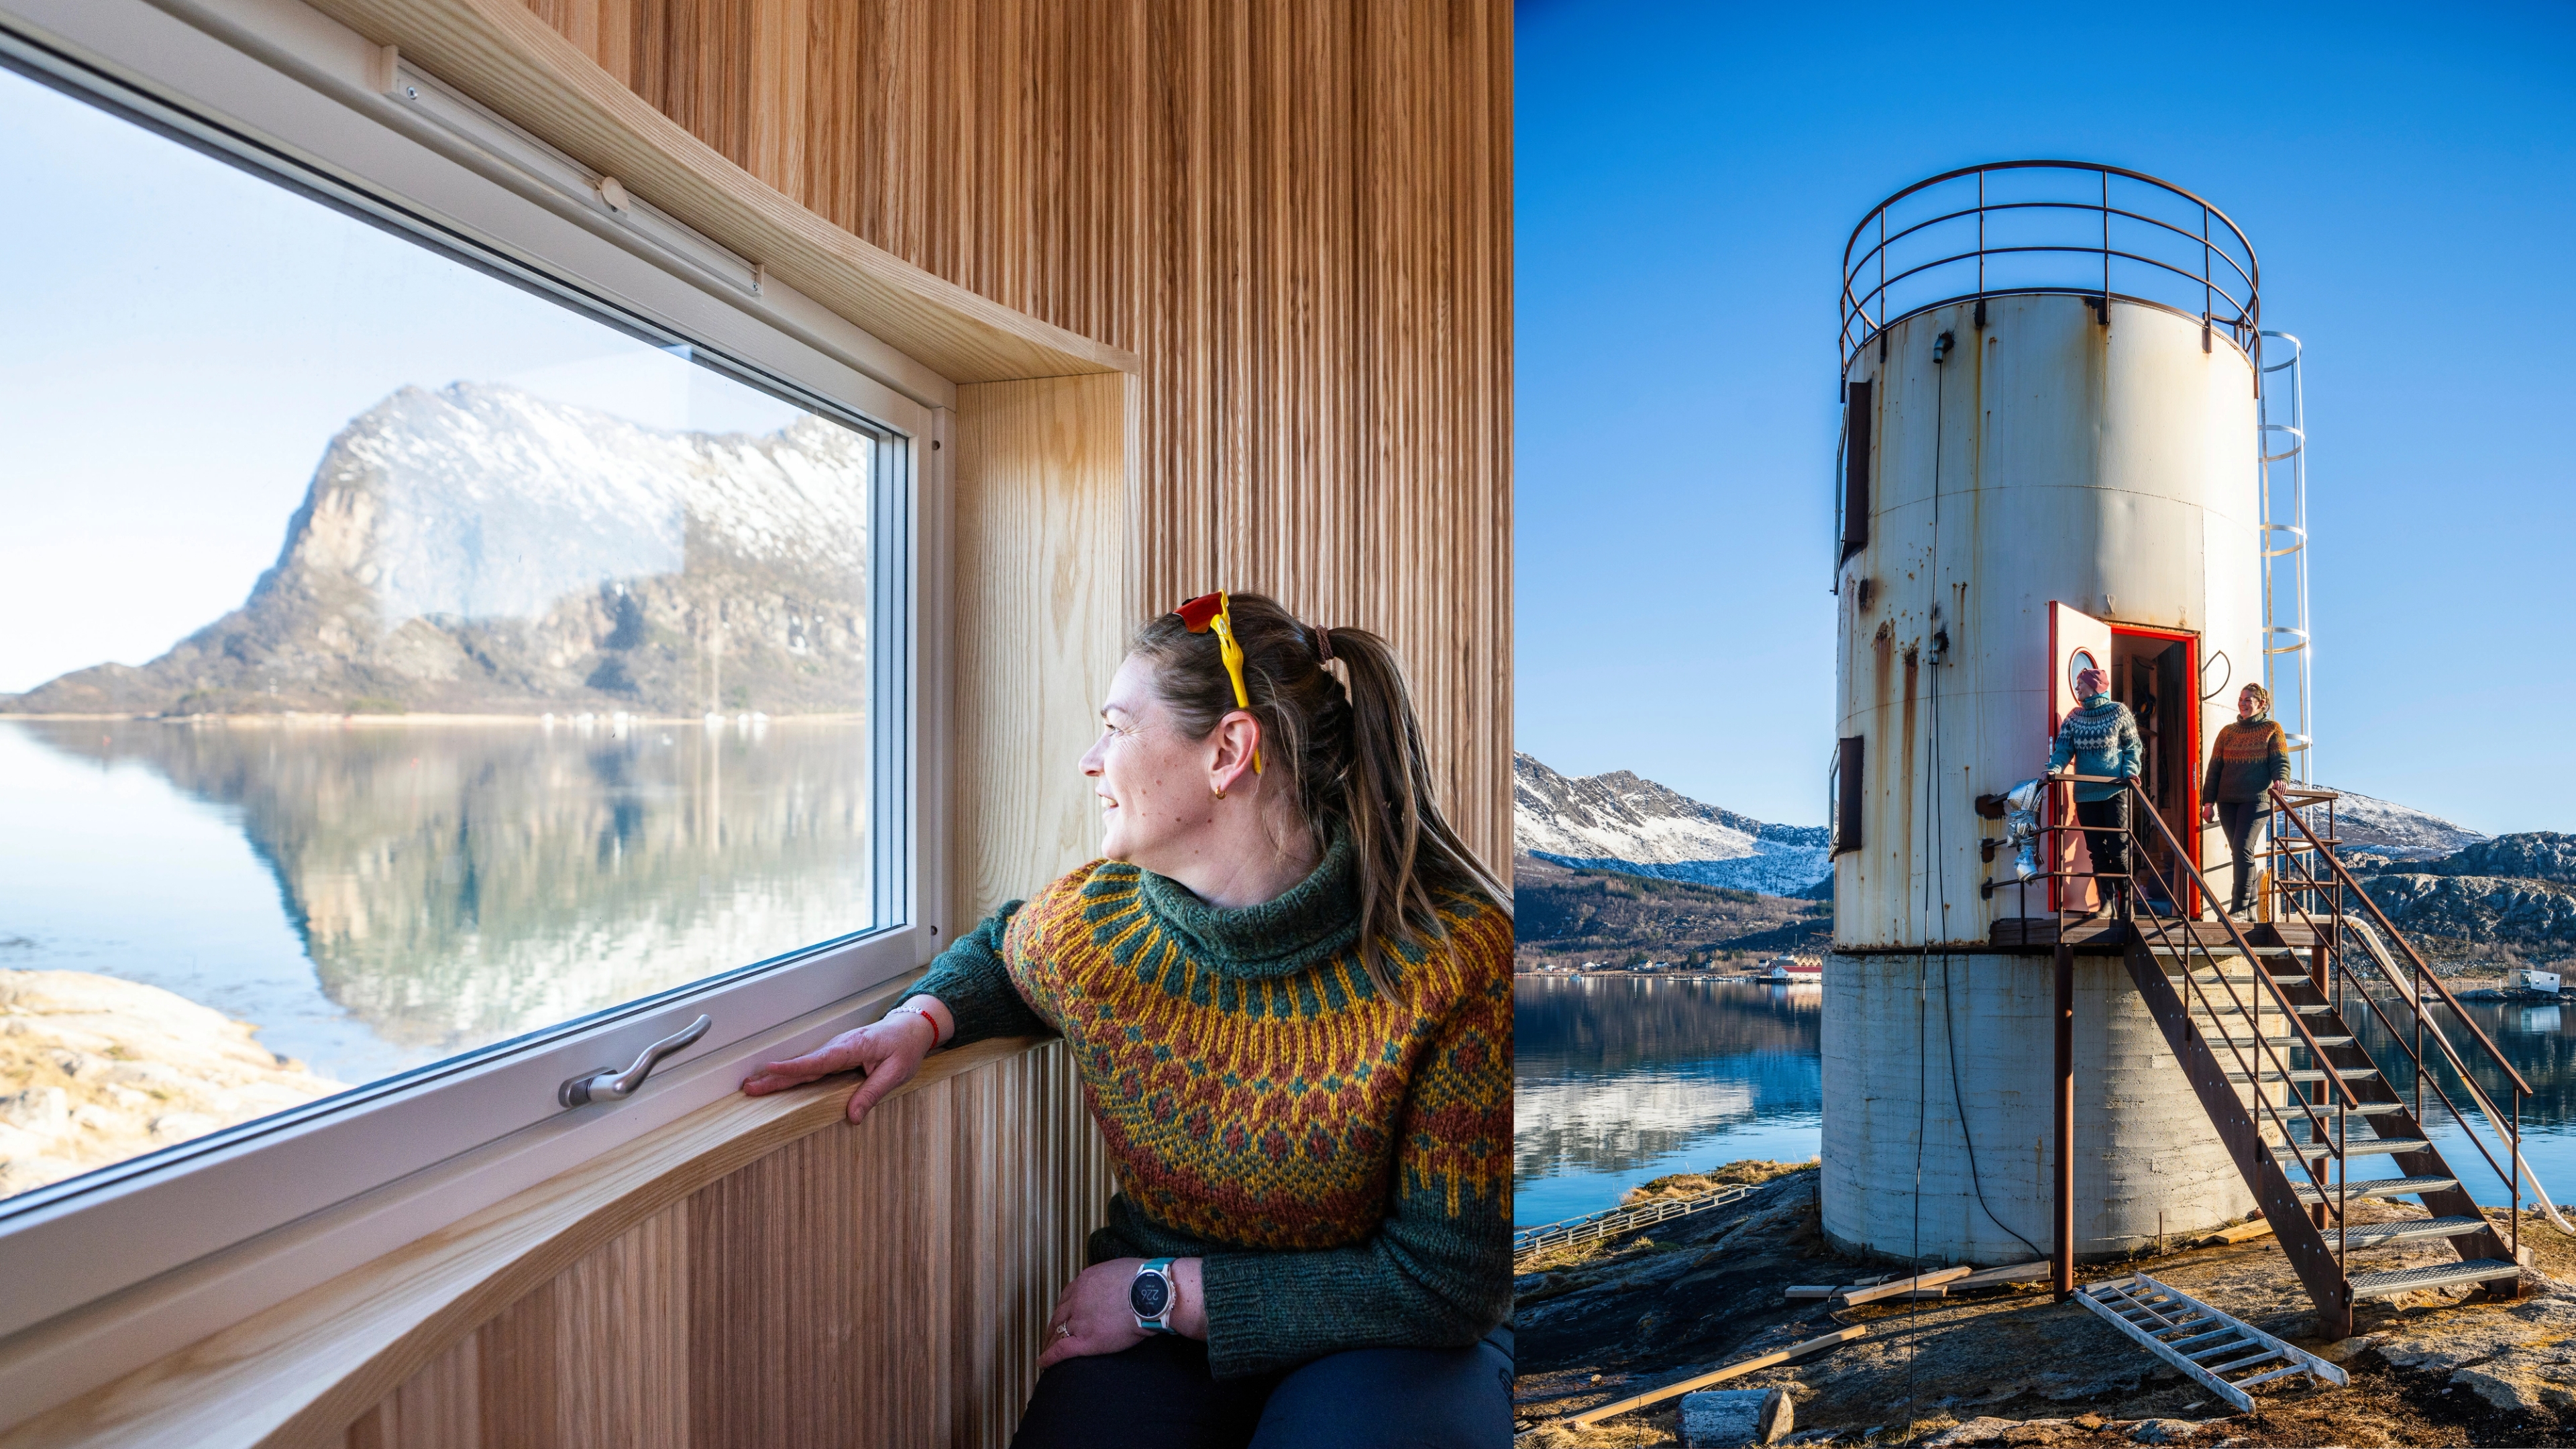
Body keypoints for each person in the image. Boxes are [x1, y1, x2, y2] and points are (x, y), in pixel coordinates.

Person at [740, 590, 1513, 1448]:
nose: (1089, 759)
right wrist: (919, 1019)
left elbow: (1445, 1283)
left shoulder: (1456, 958)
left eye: (1115, 726)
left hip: (1391, 1337)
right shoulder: (1099, 928)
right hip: (1155, 1333)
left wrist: (1165, 1293)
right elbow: (1004, 950)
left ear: (1228, 751)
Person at [2047, 663, 2143, 916]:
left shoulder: (2119, 712)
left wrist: (2130, 770)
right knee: (2097, 851)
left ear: (2095, 687)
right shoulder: (2074, 718)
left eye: (2081, 683)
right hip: (2086, 794)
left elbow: (2133, 747)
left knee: (2119, 849)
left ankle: (2128, 901)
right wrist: (2053, 768)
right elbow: (2063, 750)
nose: (2077, 687)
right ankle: (2108, 903)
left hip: (2114, 791)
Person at [2201, 682, 2293, 918]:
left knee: (2242, 849)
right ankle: (2251, 908)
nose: (2243, 703)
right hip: (2227, 801)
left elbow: (2280, 761)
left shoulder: (2272, 729)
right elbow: (2214, 769)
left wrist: (2281, 779)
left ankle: (2239, 909)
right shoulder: (2227, 733)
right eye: (2241, 699)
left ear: (2261, 704)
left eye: (2248, 700)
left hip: (2257, 800)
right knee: (2240, 852)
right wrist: (2208, 802)